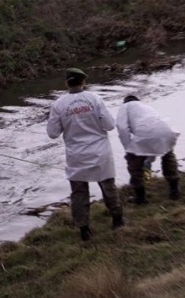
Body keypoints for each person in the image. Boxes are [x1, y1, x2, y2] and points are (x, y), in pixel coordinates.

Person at [47, 68, 124, 241]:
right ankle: (118, 221)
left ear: (66, 83)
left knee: (79, 193)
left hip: (76, 155)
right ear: (83, 82)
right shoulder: (95, 99)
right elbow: (110, 125)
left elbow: (52, 133)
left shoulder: (59, 104)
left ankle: (84, 230)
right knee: (108, 187)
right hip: (100, 152)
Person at [116, 95, 181, 204]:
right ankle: (175, 189)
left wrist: (128, 149)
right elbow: (153, 141)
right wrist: (148, 159)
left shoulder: (125, 107)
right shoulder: (146, 107)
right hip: (166, 130)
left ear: (125, 102)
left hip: (146, 133)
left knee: (134, 165)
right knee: (168, 156)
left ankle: (140, 198)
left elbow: (122, 128)